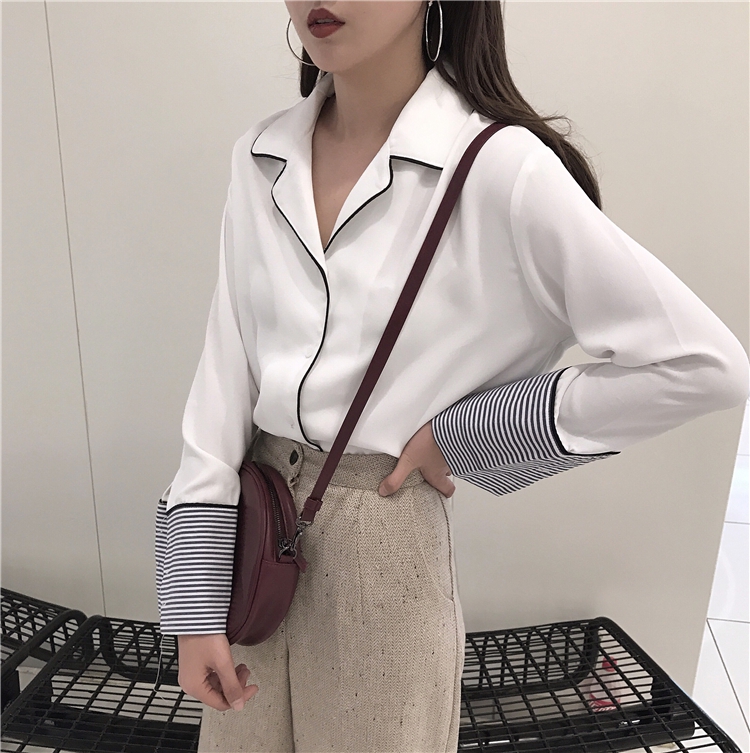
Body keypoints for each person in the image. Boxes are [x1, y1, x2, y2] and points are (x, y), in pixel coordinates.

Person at [154, 1, 750, 751]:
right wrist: (193, 602)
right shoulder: (259, 156)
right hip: (253, 526)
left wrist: (465, 435)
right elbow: (223, 373)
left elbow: (702, 364)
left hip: (382, 545)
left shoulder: (497, 166)